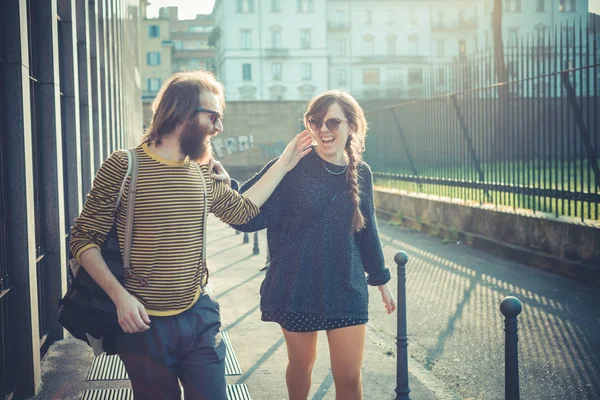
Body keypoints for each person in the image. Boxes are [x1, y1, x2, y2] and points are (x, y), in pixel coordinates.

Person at [69, 70, 312, 400]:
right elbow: (83, 239)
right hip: (144, 324)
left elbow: (242, 210)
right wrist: (119, 297)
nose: (219, 127)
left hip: (200, 314)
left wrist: (284, 163)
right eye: (213, 116)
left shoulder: (201, 170)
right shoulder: (125, 165)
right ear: (181, 112)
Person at [223, 90, 397, 400]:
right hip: (297, 285)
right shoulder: (291, 167)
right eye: (316, 122)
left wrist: (381, 279)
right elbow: (244, 217)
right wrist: (274, 168)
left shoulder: (362, 173)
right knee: (301, 365)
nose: (324, 130)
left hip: (346, 286)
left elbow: (366, 231)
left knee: (348, 377)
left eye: (333, 122)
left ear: (351, 126)